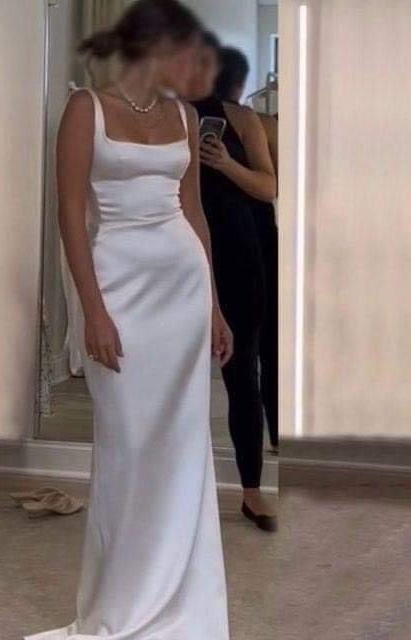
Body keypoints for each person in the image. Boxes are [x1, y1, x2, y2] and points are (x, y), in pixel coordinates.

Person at [24, 2, 233, 639]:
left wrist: (214, 305)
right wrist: (91, 309)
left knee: (181, 447)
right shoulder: (85, 109)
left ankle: (183, 601)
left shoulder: (184, 115)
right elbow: (69, 215)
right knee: (127, 447)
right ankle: (122, 601)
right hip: (118, 290)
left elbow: (193, 213)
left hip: (181, 291)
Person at [187, 33, 278, 530]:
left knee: (243, 374)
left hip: (240, 258)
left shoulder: (243, 119)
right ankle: (177, 490)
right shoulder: (166, 117)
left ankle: (251, 490)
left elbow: (267, 186)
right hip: (183, 254)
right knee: (176, 376)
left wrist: (225, 163)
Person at [216, 46, 279, 456]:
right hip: (233, 243)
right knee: (254, 351)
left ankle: (272, 437)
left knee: (262, 347)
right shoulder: (256, 122)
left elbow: (271, 186)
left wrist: (226, 164)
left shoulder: (255, 122)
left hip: (255, 242)